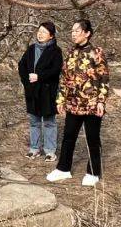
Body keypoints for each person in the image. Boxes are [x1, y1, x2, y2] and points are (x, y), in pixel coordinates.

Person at [46, 19, 109, 187]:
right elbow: (64, 78)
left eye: (77, 31)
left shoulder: (96, 52)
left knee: (92, 138)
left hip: (92, 104)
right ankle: (63, 169)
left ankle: (93, 172)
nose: (73, 34)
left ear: (87, 33)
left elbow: (104, 78)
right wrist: (61, 99)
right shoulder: (71, 52)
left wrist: (101, 101)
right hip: (73, 103)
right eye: (72, 31)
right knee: (68, 136)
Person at [17, 21, 62, 160]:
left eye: (44, 32)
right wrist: (27, 82)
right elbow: (22, 66)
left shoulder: (56, 51)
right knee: (34, 121)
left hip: (48, 91)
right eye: (39, 31)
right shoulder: (31, 49)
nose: (40, 34)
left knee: (49, 122)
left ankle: (50, 150)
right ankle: (34, 148)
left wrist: (39, 77)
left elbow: (56, 70)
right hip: (32, 90)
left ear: (51, 36)